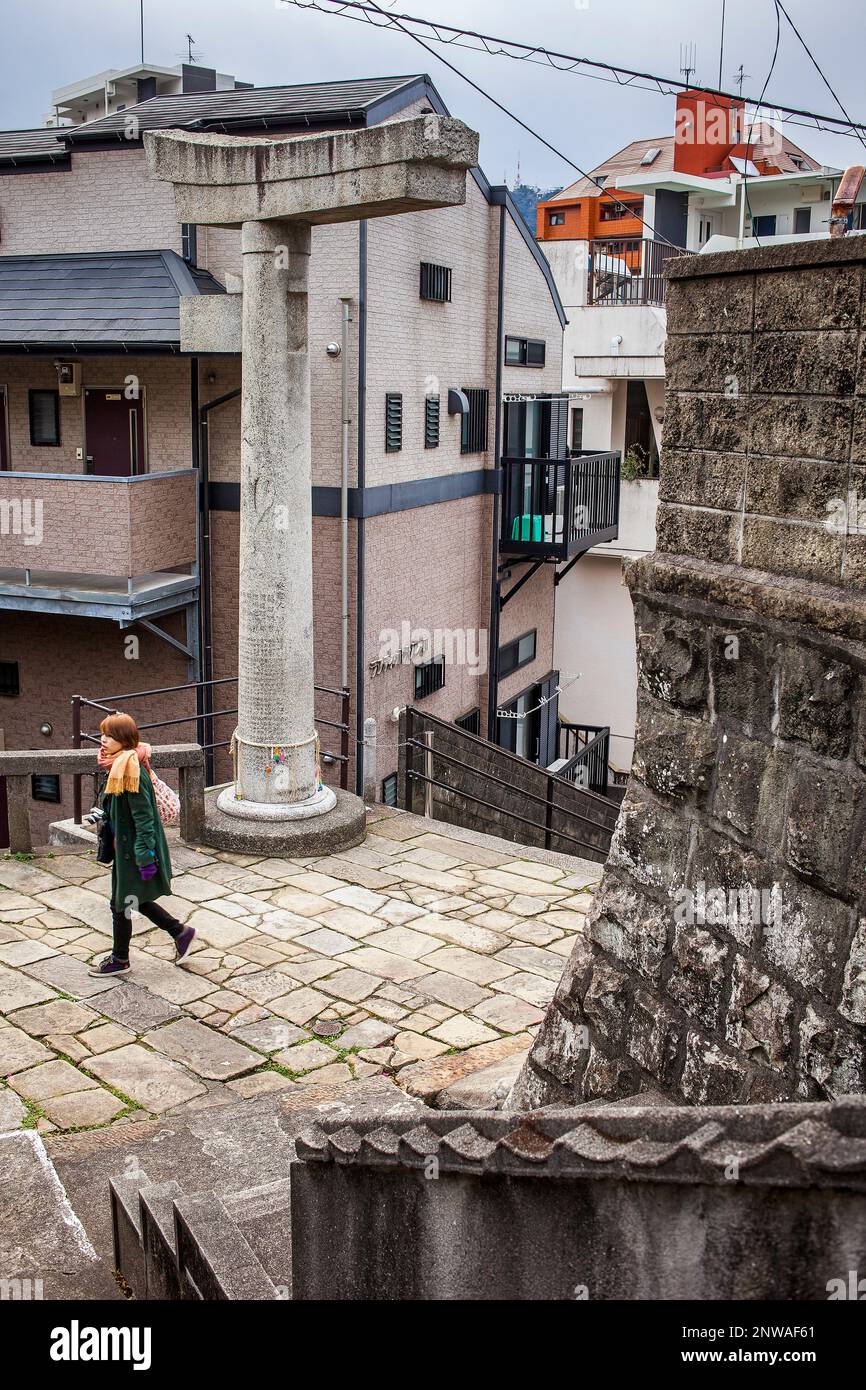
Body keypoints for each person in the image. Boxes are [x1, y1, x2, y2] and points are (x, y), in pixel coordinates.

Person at [89, 711, 195, 977]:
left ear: (124, 740)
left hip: (135, 852)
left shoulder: (130, 770)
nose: (103, 740)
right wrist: (104, 813)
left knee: (122, 903)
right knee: (131, 901)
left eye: (109, 736)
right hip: (126, 850)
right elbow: (120, 808)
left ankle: (120, 959)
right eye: (103, 734)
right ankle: (179, 933)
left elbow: (144, 818)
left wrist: (145, 856)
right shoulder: (121, 764)